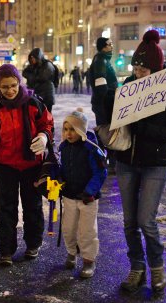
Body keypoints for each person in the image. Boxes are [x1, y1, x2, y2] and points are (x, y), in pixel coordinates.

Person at [115, 30, 166, 294]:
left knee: (146, 220)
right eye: (136, 68)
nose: (138, 73)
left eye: (144, 69)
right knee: (129, 222)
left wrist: (144, 128)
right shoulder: (128, 88)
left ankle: (157, 267)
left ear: (156, 69)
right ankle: (136, 267)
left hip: (155, 164)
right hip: (126, 162)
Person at [0, 64, 54, 266]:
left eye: (13, 85)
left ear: (19, 82)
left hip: (31, 164)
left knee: (32, 206)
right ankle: (6, 251)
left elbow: (48, 123)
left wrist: (44, 136)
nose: (9, 90)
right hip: (7, 165)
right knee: (6, 208)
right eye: (4, 87)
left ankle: (33, 244)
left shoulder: (34, 102)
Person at [59, 108, 107, 278]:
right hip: (70, 195)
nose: (68, 133)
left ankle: (88, 260)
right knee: (68, 228)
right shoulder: (63, 147)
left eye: (72, 129)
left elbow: (100, 172)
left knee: (87, 231)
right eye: (65, 129)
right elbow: (62, 169)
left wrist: (89, 191)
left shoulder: (91, 149)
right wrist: (56, 180)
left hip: (88, 198)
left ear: (81, 130)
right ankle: (71, 253)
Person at [89, 37, 118, 173]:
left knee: (106, 131)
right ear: (103, 47)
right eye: (109, 44)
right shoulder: (100, 60)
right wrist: (107, 101)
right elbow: (101, 85)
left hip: (105, 102)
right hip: (104, 103)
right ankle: (107, 162)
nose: (111, 46)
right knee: (106, 132)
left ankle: (105, 161)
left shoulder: (103, 59)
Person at [22, 48, 57, 112]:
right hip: (37, 94)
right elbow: (24, 72)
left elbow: (43, 77)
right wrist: (30, 76)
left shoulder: (47, 65)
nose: (32, 59)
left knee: (47, 115)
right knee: (37, 115)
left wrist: (31, 76)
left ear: (38, 57)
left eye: (34, 57)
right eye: (31, 58)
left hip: (46, 94)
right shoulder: (33, 66)